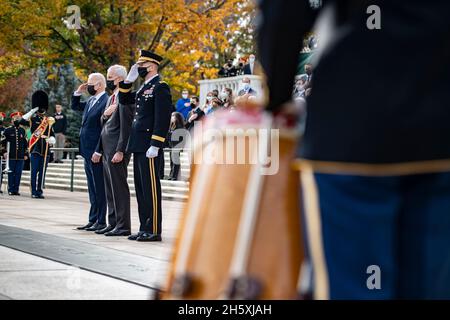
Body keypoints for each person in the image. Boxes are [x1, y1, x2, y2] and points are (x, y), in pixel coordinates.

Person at [257, 0, 450, 299]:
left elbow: (284, 11)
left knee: (354, 287)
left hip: (354, 121)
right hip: (439, 124)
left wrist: (278, 93)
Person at [118, 49, 172, 242]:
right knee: (140, 188)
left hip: (150, 145)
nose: (139, 68)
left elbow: (162, 118)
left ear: (152, 66)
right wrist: (128, 82)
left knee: (151, 188)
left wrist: (156, 143)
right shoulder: (143, 88)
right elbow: (123, 100)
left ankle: (154, 229)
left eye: (141, 66)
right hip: (138, 143)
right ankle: (144, 227)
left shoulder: (160, 86)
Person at [92, 64, 133, 236]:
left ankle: (123, 226)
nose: (108, 80)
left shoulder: (125, 98)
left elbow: (126, 126)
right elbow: (103, 123)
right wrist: (105, 114)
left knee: (118, 188)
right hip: (107, 147)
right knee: (109, 188)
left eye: (110, 77)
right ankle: (113, 222)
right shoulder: (111, 98)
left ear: (119, 79)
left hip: (117, 149)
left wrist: (121, 150)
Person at [72, 73, 109, 231]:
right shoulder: (91, 101)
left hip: (96, 150)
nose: (88, 86)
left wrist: (98, 150)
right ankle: (92, 219)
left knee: (99, 187)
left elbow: (103, 128)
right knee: (92, 187)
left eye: (90, 84)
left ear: (99, 85)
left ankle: (101, 221)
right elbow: (75, 107)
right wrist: (77, 93)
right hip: (86, 150)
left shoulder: (106, 100)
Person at [18, 90, 55, 199]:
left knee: (42, 172)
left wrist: (52, 139)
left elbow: (51, 133)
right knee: (34, 172)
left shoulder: (48, 120)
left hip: (45, 148)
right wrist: (31, 111)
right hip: (35, 147)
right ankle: (33, 191)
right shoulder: (32, 119)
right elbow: (21, 121)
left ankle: (39, 190)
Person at [3, 112, 28, 195]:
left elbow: (25, 144)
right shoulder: (7, 130)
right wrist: (4, 152)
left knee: (18, 173)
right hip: (11, 156)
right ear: (12, 120)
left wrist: (25, 154)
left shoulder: (22, 130)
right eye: (16, 118)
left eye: (19, 118)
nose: (17, 120)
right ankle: (10, 189)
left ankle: (16, 189)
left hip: (20, 156)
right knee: (11, 173)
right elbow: (3, 143)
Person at [167, 112, 185, 181]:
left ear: (177, 118)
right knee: (172, 161)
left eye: (173, 116)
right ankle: (171, 174)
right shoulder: (171, 126)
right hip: (171, 145)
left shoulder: (180, 126)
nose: (171, 118)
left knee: (176, 161)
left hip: (177, 145)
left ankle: (175, 175)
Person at [0, 112, 5, 194]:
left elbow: (4, 142)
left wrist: (4, 152)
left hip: (0, 153)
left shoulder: (4, 130)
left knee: (0, 172)